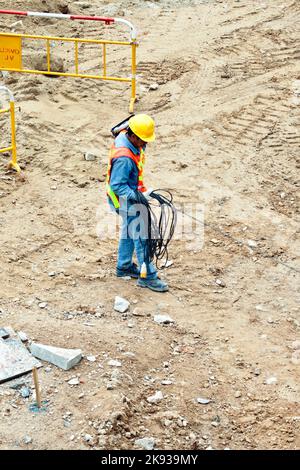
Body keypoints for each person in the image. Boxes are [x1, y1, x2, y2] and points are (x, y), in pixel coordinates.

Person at [106, 114, 168, 292]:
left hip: (127, 197)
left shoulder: (125, 133)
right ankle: (148, 277)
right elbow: (117, 185)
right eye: (142, 140)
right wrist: (139, 196)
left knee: (129, 230)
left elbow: (122, 126)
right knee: (141, 238)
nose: (145, 144)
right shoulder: (124, 158)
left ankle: (124, 266)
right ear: (132, 136)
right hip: (125, 201)